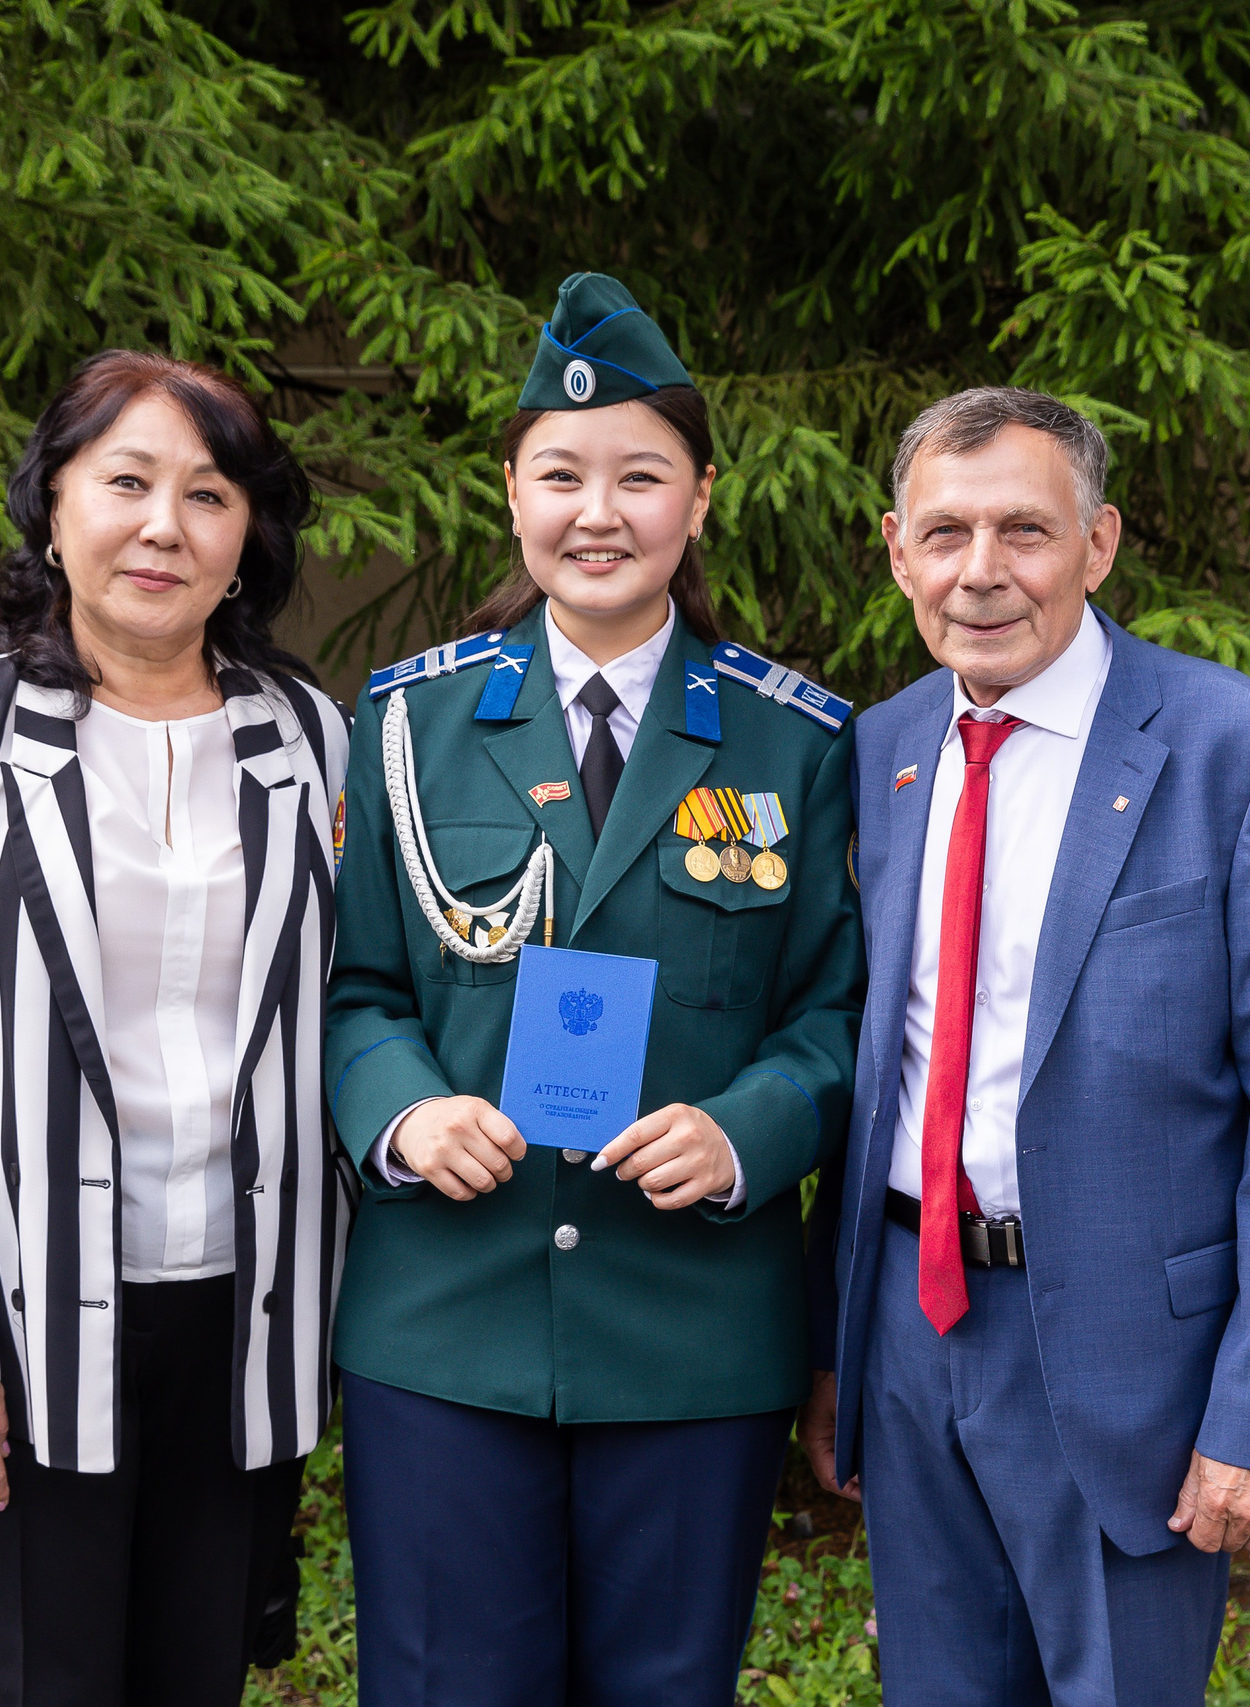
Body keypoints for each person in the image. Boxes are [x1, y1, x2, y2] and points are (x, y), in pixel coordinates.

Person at [323, 272, 865, 1707]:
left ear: (697, 501)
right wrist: (404, 1116)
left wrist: (751, 1127)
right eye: (561, 475)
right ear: (512, 496)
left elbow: (839, 1014)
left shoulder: (797, 742)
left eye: (641, 475)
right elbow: (355, 985)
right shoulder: (410, 721)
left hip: (690, 1329)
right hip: (448, 1315)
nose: (598, 512)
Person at [798, 387, 1250, 1704]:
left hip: (1135, 1369)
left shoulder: (1243, 757)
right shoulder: (883, 750)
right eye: (946, 534)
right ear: (897, 550)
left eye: (1026, 531)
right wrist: (839, 1345)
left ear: (1100, 544)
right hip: (909, 1328)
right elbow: (881, 1064)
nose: (982, 573)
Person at [0, 350, 352, 1707]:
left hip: (242, 1316)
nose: (164, 526)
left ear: (245, 539)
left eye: (208, 494)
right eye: (125, 481)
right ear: (54, 505)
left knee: (195, 1679)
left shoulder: (308, 738)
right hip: (21, 1320)